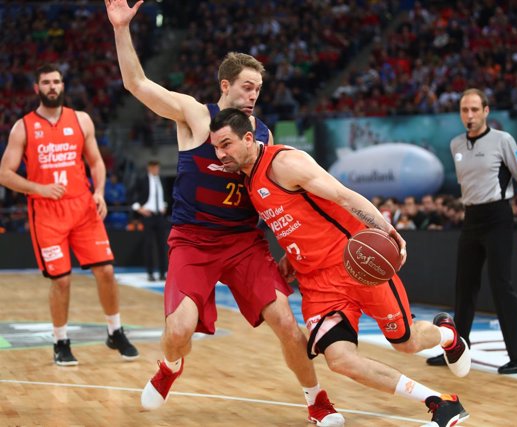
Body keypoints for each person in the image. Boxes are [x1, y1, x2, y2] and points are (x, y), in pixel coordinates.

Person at [105, 1, 343, 424]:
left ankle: (316, 399)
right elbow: (136, 83)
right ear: (226, 85)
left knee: (289, 325)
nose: (253, 96)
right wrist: (122, 28)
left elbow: (276, 198)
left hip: (244, 244)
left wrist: (290, 246)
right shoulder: (196, 117)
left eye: (258, 90)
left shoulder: (262, 136)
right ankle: (170, 367)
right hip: (193, 242)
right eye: (247, 87)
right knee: (177, 332)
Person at [210, 108, 471, 427]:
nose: (220, 154)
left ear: (248, 139)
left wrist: (386, 230)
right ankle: (441, 403)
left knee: (407, 342)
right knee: (340, 360)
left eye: (226, 144)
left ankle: (447, 334)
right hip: (317, 284)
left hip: (358, 264)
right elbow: (299, 221)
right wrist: (292, 257)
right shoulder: (249, 182)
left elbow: (343, 197)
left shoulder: (285, 163)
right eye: (216, 147)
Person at [0, 64, 139, 366]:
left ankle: (115, 331)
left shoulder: (81, 120)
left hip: (84, 207)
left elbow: (97, 163)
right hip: (47, 211)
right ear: (37, 88)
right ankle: (60, 341)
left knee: (106, 271)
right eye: (46, 82)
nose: (52, 87)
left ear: (63, 86)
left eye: (56, 82)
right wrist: (38, 188)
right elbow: (5, 174)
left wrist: (99, 192)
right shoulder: (23, 127)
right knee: (61, 281)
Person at [427, 88, 517, 374]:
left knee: (501, 286)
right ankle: (458, 351)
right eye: (464, 110)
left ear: (486, 111)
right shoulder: (456, 144)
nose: (469, 115)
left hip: (498, 217)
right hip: (472, 218)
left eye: (474, 110)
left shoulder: (502, 140)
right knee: (464, 287)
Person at [131, 160, 168, 281]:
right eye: (153, 168)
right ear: (148, 168)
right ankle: (150, 273)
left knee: (162, 246)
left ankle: (163, 273)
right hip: (148, 216)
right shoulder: (142, 180)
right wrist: (138, 208)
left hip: (160, 217)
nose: (155, 170)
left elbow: (165, 195)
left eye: (157, 168)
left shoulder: (162, 179)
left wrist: (164, 205)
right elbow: (130, 194)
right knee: (149, 245)